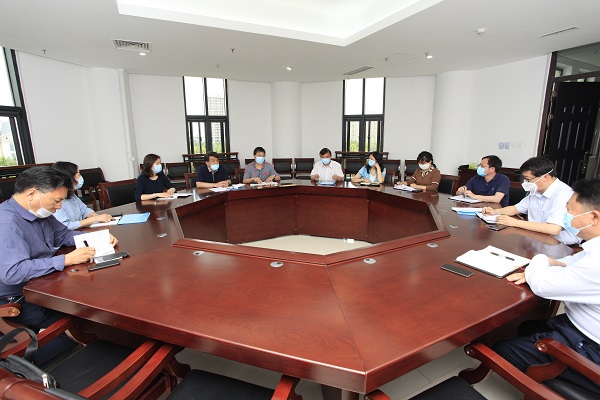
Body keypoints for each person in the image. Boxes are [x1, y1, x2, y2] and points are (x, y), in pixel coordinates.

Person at [0, 166, 118, 365]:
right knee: (85, 320)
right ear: (32, 193)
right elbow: (13, 272)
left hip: (45, 282)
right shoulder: (7, 223)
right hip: (20, 297)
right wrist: (65, 260)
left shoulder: (40, 212)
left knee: (98, 299)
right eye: (57, 201)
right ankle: (17, 368)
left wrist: (97, 238)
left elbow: (63, 235)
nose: (60, 206)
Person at [494, 177, 600, 396]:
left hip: (591, 347)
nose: (565, 215)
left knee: (503, 348)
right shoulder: (593, 250)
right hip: (580, 325)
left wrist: (540, 261)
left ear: (593, 217)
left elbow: (543, 285)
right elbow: (573, 261)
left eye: (569, 210)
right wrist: (551, 265)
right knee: (526, 327)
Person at [482, 157, 580, 245]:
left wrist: (514, 222)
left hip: (560, 244)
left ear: (546, 177)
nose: (526, 183)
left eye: (528, 179)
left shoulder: (563, 194)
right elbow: (516, 208)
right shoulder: (537, 190)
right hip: (537, 236)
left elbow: (553, 229)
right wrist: (495, 211)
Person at [52, 161, 113, 229]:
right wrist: (94, 219)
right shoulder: (55, 202)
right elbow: (66, 226)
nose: (80, 178)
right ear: (68, 178)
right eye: (78, 175)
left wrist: (95, 216)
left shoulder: (71, 195)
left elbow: (84, 210)